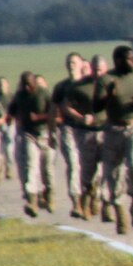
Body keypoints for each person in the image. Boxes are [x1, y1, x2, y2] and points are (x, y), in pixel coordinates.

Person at [96, 46, 133, 234]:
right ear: (117, 60)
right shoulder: (106, 79)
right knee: (114, 173)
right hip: (113, 129)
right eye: (128, 59)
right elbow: (96, 106)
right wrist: (109, 95)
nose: (132, 62)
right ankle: (120, 213)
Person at [65, 54, 110, 221]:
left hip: (107, 132)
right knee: (88, 172)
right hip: (86, 133)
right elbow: (66, 107)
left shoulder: (111, 84)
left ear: (106, 69)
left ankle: (104, 204)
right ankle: (88, 195)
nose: (98, 73)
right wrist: (80, 117)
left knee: (108, 170)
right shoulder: (80, 86)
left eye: (100, 70)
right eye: (95, 69)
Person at [8, 71, 54, 217]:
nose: (28, 88)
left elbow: (54, 113)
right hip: (28, 135)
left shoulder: (44, 93)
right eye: (25, 85)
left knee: (47, 169)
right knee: (30, 165)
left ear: (35, 82)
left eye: (30, 84)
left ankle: (50, 195)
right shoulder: (20, 96)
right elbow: (11, 111)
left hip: (44, 134)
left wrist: (40, 117)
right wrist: (14, 117)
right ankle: (32, 201)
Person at [52, 52, 86, 217]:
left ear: (81, 64)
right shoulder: (61, 87)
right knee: (73, 164)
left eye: (74, 62)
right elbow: (53, 109)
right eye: (69, 62)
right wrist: (52, 131)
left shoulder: (89, 83)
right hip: (68, 129)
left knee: (90, 166)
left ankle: (91, 196)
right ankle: (76, 202)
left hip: (88, 130)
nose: (71, 64)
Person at [0, 76, 15, 180]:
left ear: (7, 84)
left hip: (10, 124)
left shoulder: (12, 96)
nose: (1, 86)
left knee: (9, 148)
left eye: (3, 84)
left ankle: (9, 168)